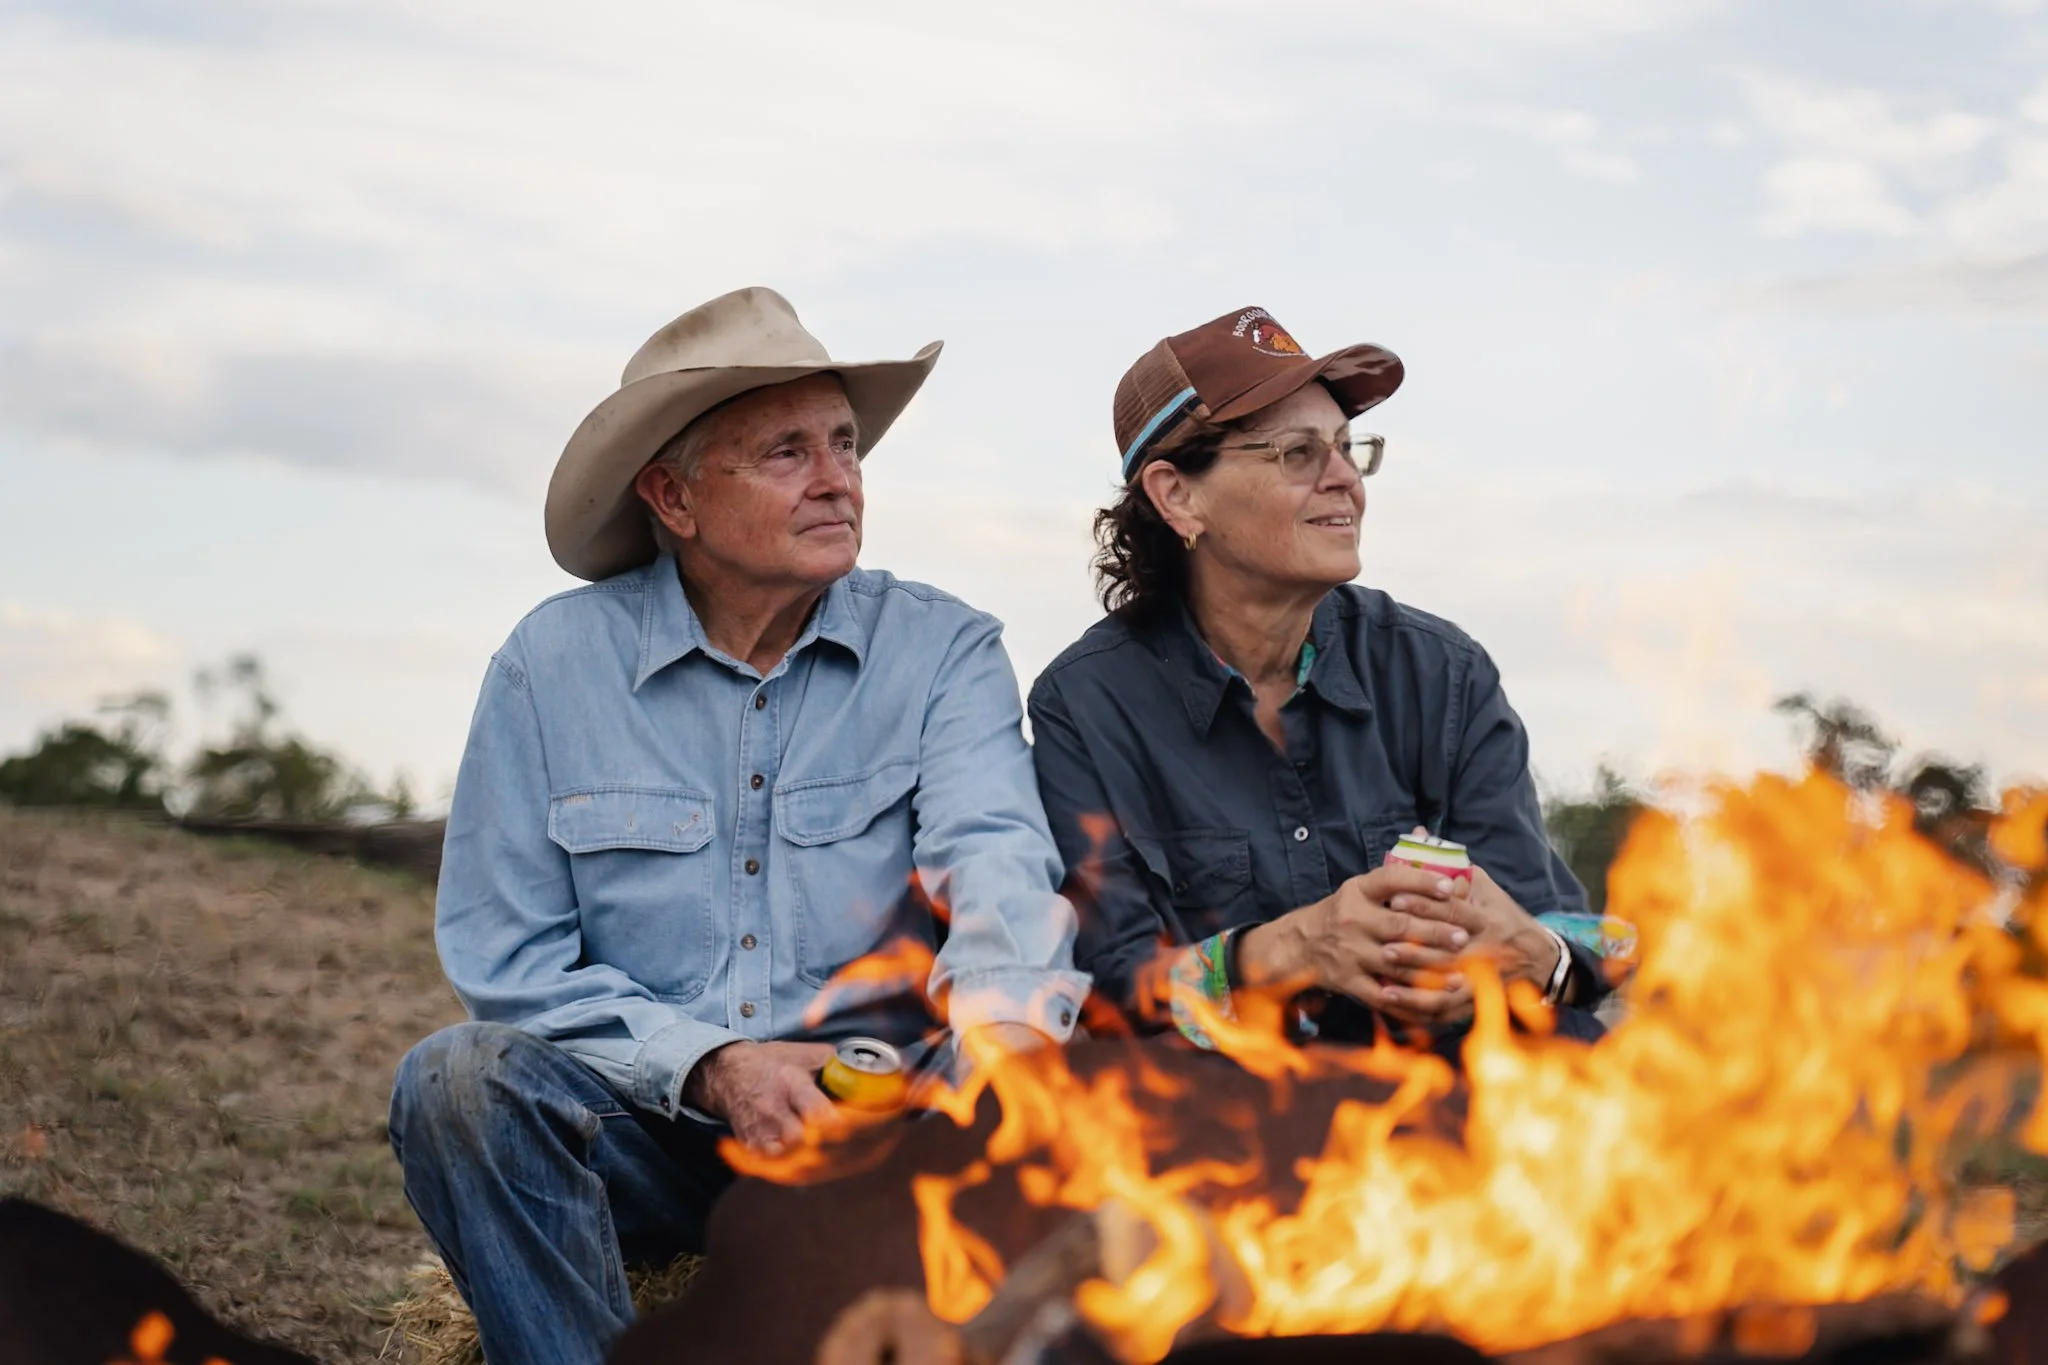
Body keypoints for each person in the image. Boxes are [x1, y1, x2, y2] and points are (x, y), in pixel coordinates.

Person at [389, 287, 1089, 1365]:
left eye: (846, 444)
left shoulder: (942, 651)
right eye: (786, 452)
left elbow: (998, 880)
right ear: (672, 496)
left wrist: (993, 1084)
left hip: (886, 1130)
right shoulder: (550, 666)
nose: (836, 478)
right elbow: (507, 956)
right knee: (455, 1082)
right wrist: (715, 1064)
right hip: (653, 1129)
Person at [1028, 305, 1609, 1052]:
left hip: (1446, 1113)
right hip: (1224, 1129)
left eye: (1347, 447)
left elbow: (1570, 937)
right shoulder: (1086, 704)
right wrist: (1290, 950)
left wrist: (1524, 954)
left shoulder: (1443, 674)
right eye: (1298, 454)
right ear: (1178, 495)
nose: (1345, 481)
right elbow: (1106, 988)